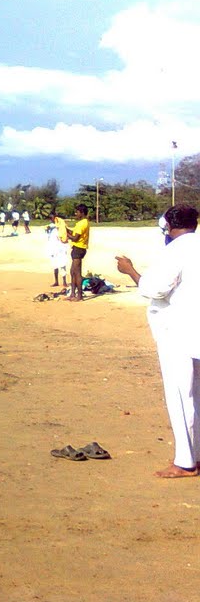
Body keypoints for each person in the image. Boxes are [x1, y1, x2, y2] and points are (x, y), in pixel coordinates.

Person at [115, 205, 200, 478]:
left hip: (179, 333)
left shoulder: (174, 251)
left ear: (168, 226)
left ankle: (186, 462)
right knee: (195, 397)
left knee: (180, 397)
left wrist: (130, 271)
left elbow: (154, 289)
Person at [66, 204, 90, 301]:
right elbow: (74, 233)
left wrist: (66, 234)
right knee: (72, 272)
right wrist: (66, 229)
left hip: (79, 249)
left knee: (77, 273)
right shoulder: (83, 222)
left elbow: (75, 238)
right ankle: (72, 294)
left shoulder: (82, 223)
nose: (76, 214)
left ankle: (79, 296)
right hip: (77, 248)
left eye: (77, 212)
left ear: (82, 213)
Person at [45, 212, 68, 289]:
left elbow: (64, 232)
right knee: (54, 265)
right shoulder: (50, 226)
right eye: (50, 218)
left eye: (53, 218)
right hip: (53, 248)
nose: (52, 220)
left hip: (60, 247)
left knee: (62, 264)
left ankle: (64, 281)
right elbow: (48, 233)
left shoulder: (60, 225)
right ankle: (56, 281)